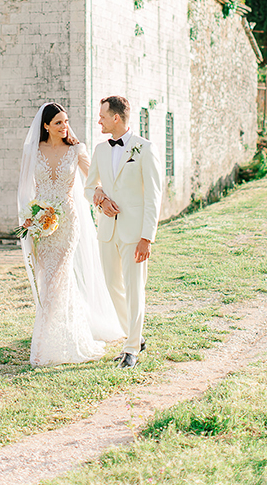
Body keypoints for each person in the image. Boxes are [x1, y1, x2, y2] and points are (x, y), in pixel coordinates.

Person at [17, 102, 122, 367]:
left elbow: (94, 180)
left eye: (66, 121)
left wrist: (105, 196)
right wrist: (29, 217)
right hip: (41, 223)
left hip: (67, 223)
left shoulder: (76, 151)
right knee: (49, 280)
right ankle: (67, 333)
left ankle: (42, 346)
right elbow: (24, 188)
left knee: (56, 278)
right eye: (58, 123)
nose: (65, 127)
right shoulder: (34, 150)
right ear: (46, 126)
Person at [84, 95, 163, 369]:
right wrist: (100, 199)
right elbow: (88, 186)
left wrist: (146, 237)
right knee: (112, 286)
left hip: (134, 234)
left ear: (116, 118)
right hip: (107, 232)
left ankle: (131, 350)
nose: (99, 121)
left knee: (134, 289)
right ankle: (135, 336)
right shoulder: (100, 150)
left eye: (102, 116)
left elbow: (154, 197)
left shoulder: (145, 149)